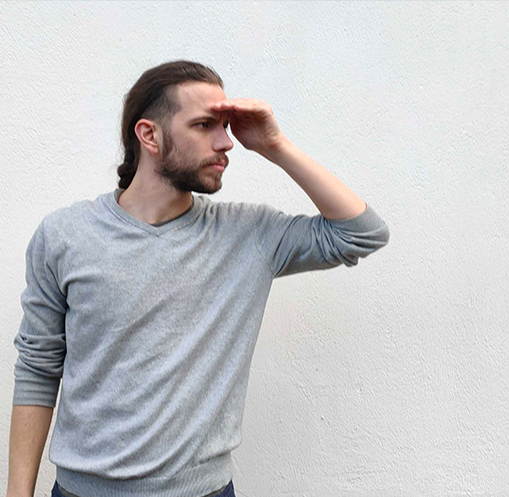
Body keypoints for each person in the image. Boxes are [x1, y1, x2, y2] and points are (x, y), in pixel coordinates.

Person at [6, 60, 390, 497]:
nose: (225, 142)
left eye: (225, 126)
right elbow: (38, 366)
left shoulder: (248, 234)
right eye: (205, 125)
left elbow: (362, 233)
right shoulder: (65, 235)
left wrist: (275, 144)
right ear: (149, 135)